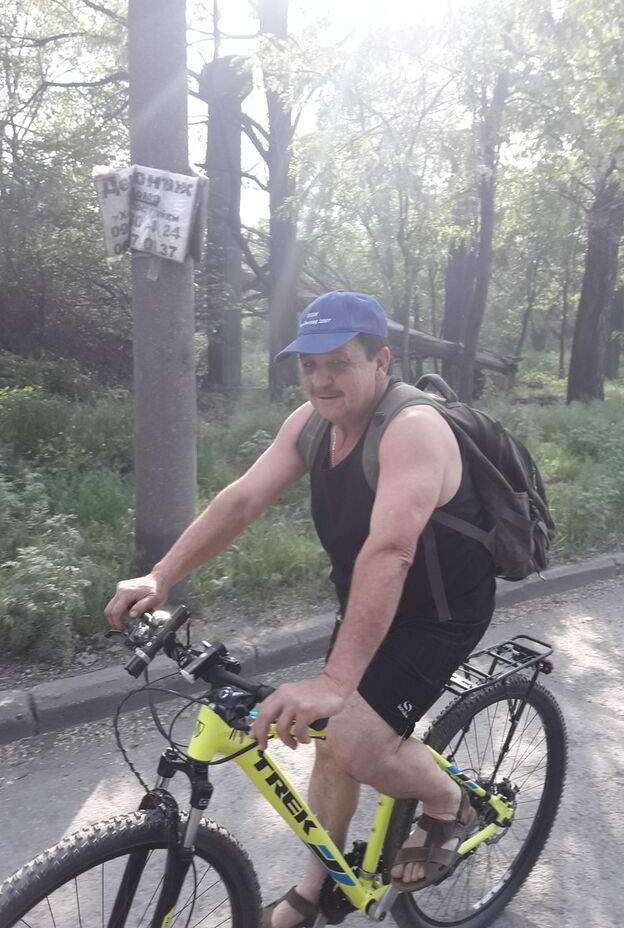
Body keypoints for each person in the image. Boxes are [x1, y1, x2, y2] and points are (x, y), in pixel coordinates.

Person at [105, 290, 496, 928]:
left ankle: (449, 802)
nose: (320, 379)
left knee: (355, 740)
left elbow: (392, 550)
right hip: (368, 599)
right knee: (330, 748)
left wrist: (335, 682)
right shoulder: (313, 423)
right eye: (309, 365)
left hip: (440, 611)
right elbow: (241, 501)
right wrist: (161, 575)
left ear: (381, 361)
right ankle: (316, 892)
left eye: (338, 363)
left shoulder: (414, 428)